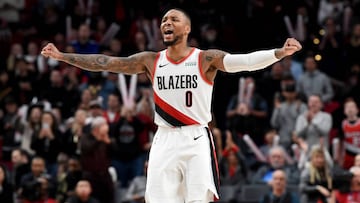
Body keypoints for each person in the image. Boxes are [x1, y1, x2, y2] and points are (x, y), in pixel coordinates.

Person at [41, 8, 302, 203]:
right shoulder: (151, 60)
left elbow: (242, 62)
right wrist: (63, 56)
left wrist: (278, 53)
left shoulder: (205, 58)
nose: (167, 22)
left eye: (174, 19)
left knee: (198, 199)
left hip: (196, 136)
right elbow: (106, 62)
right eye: (164, 20)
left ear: (187, 29)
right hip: (164, 138)